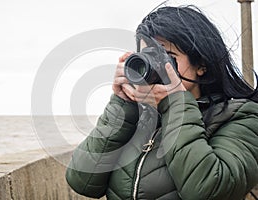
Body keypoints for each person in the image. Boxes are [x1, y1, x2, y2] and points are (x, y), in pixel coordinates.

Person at [65, 4, 258, 200]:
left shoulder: (241, 117)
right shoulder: (138, 118)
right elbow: (82, 181)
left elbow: (211, 190)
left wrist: (176, 104)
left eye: (167, 57)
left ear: (201, 65)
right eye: (148, 56)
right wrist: (122, 104)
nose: (156, 66)